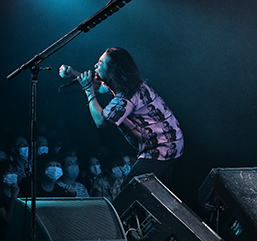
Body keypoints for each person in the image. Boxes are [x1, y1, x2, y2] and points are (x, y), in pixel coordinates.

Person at [60, 47, 184, 188]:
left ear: (113, 71)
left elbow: (101, 122)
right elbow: (100, 87)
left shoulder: (127, 96)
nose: (95, 65)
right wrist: (73, 74)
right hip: (172, 141)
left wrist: (88, 90)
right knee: (157, 192)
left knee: (129, 190)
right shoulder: (126, 84)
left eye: (101, 63)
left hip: (162, 147)